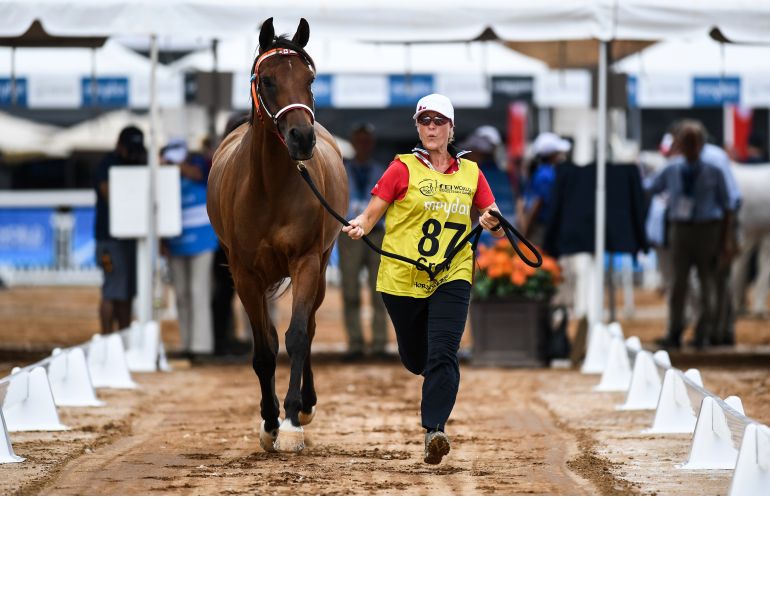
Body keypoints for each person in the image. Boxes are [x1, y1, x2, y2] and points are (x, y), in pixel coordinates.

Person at [342, 93, 505, 465]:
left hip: (453, 272)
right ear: (418, 127)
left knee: (444, 352)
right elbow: (371, 215)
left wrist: (492, 221)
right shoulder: (401, 168)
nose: (432, 127)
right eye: (425, 121)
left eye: (439, 121)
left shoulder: (471, 172)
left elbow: (494, 221)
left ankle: (435, 429)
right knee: (418, 359)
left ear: (451, 128)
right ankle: (428, 386)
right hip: (402, 277)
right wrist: (358, 226)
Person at [645, 120, 735, 349]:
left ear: (701, 144)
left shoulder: (714, 170)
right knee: (678, 285)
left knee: (708, 285)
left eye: (693, 142)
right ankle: (674, 331)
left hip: (708, 230)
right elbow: (649, 188)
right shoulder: (671, 168)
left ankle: (704, 332)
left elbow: (728, 206)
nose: (689, 146)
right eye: (685, 141)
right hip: (681, 230)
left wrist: (725, 240)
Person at [161, 138, 219, 362]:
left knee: (199, 291)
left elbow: (199, 173)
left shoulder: (200, 164)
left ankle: (202, 347)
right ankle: (186, 344)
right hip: (175, 242)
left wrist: (176, 166)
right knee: (182, 295)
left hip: (203, 240)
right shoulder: (165, 173)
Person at [338, 123, 388, 361]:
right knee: (350, 290)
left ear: (372, 143)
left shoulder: (382, 170)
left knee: (379, 290)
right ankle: (355, 343)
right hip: (349, 233)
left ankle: (379, 344)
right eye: (359, 141)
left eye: (367, 141)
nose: (363, 145)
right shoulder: (341, 170)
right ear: (353, 143)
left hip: (377, 232)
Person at [93, 125, 147, 334]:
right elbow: (107, 193)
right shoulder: (107, 164)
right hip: (109, 239)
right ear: (119, 146)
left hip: (131, 238)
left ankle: (123, 339)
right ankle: (108, 339)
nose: (132, 154)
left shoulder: (138, 161)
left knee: (126, 294)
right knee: (112, 291)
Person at [462, 125, 516, 247]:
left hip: (483, 235)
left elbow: (474, 214)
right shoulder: (506, 174)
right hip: (507, 232)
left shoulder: (475, 172)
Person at [520, 132, 571, 247]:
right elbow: (537, 203)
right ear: (552, 155)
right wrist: (526, 231)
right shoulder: (545, 175)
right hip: (539, 227)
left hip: (541, 225)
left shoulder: (543, 172)